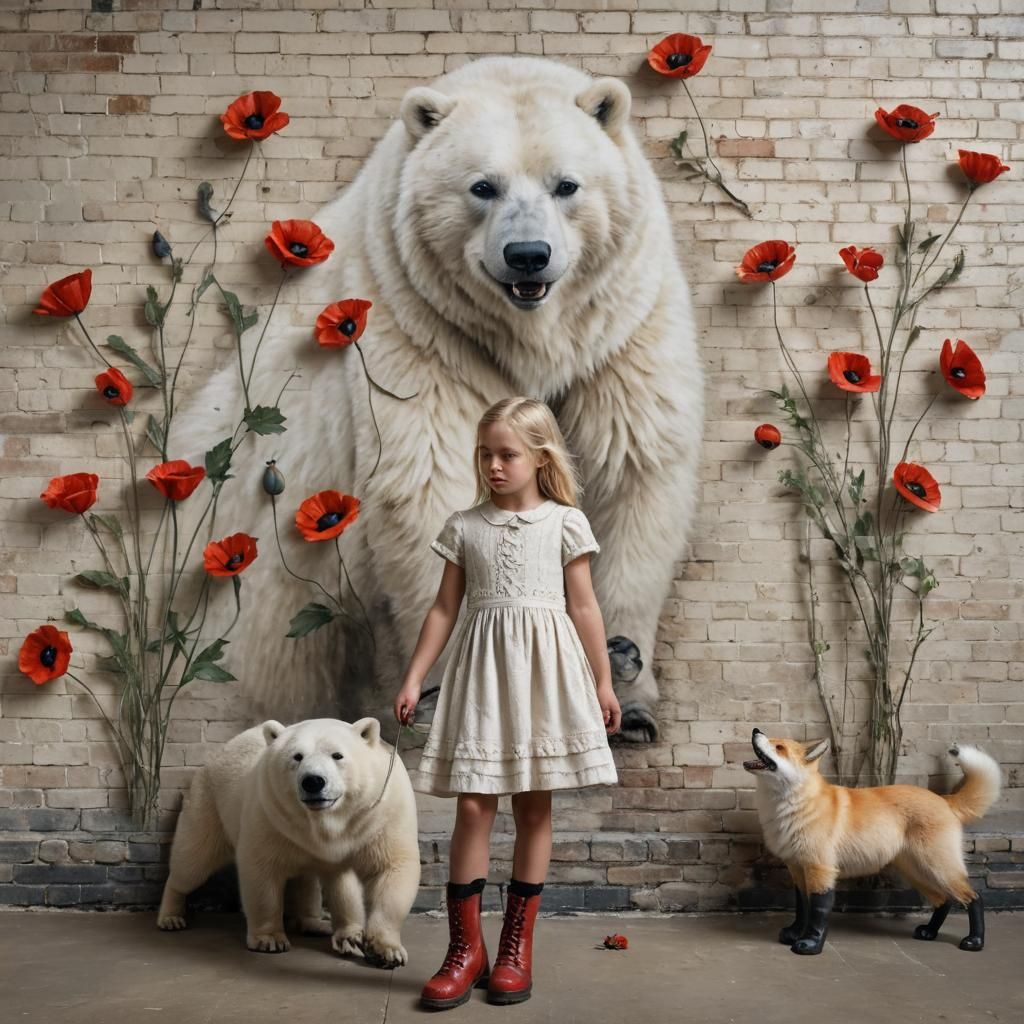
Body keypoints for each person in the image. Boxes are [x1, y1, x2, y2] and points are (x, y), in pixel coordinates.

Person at [394, 396, 621, 1011]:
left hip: (547, 673)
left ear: (539, 457)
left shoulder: (565, 523)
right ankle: (464, 951)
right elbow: (444, 609)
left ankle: (516, 949)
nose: (494, 465)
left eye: (507, 455)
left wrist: (603, 682)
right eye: (485, 454)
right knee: (474, 804)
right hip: (484, 673)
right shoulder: (465, 526)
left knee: (534, 804)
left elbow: (584, 608)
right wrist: (416, 676)